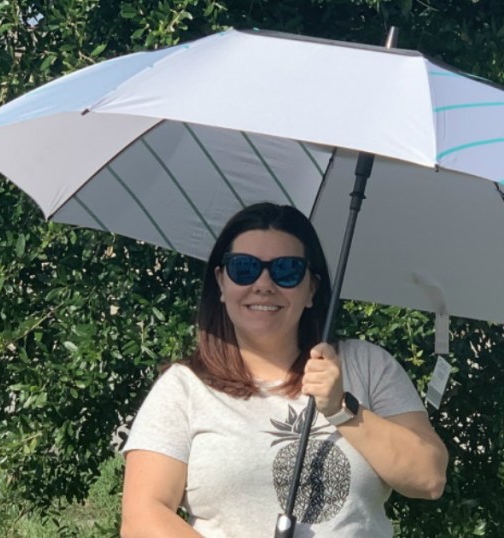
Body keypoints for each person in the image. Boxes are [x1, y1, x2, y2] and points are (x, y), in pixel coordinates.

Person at [120, 202, 448, 537]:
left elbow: (429, 477)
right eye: (244, 268)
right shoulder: (184, 388)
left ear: (311, 289)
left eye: (286, 270)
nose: (264, 283)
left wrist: (342, 409)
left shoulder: (368, 366)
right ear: (221, 283)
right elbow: (142, 516)